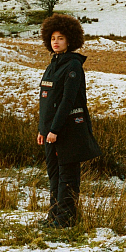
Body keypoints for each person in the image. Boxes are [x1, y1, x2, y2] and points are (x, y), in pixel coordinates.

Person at [37, 14, 100, 228]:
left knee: (67, 177)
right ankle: (54, 215)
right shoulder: (52, 65)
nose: (56, 42)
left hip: (68, 131)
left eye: (61, 38)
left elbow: (67, 100)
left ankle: (66, 219)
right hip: (50, 133)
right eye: (53, 38)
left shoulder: (73, 66)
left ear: (70, 40)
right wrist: (42, 129)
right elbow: (46, 101)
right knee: (54, 175)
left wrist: (54, 129)